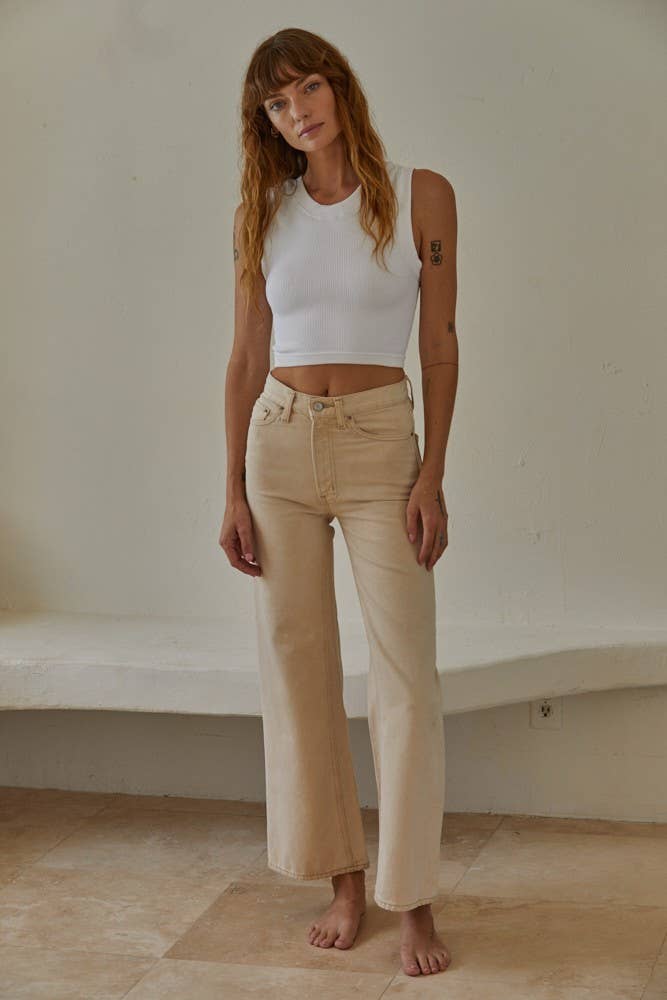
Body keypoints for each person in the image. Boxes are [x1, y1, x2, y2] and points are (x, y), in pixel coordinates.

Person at [220, 27, 458, 978]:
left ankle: (413, 900)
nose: (296, 112)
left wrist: (432, 471)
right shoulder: (262, 211)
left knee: (406, 676)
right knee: (298, 667)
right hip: (276, 444)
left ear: (338, 86)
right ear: (267, 123)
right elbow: (242, 356)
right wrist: (229, 485)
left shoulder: (419, 194)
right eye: (276, 105)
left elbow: (438, 344)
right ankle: (342, 881)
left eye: (307, 88)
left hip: (377, 444)